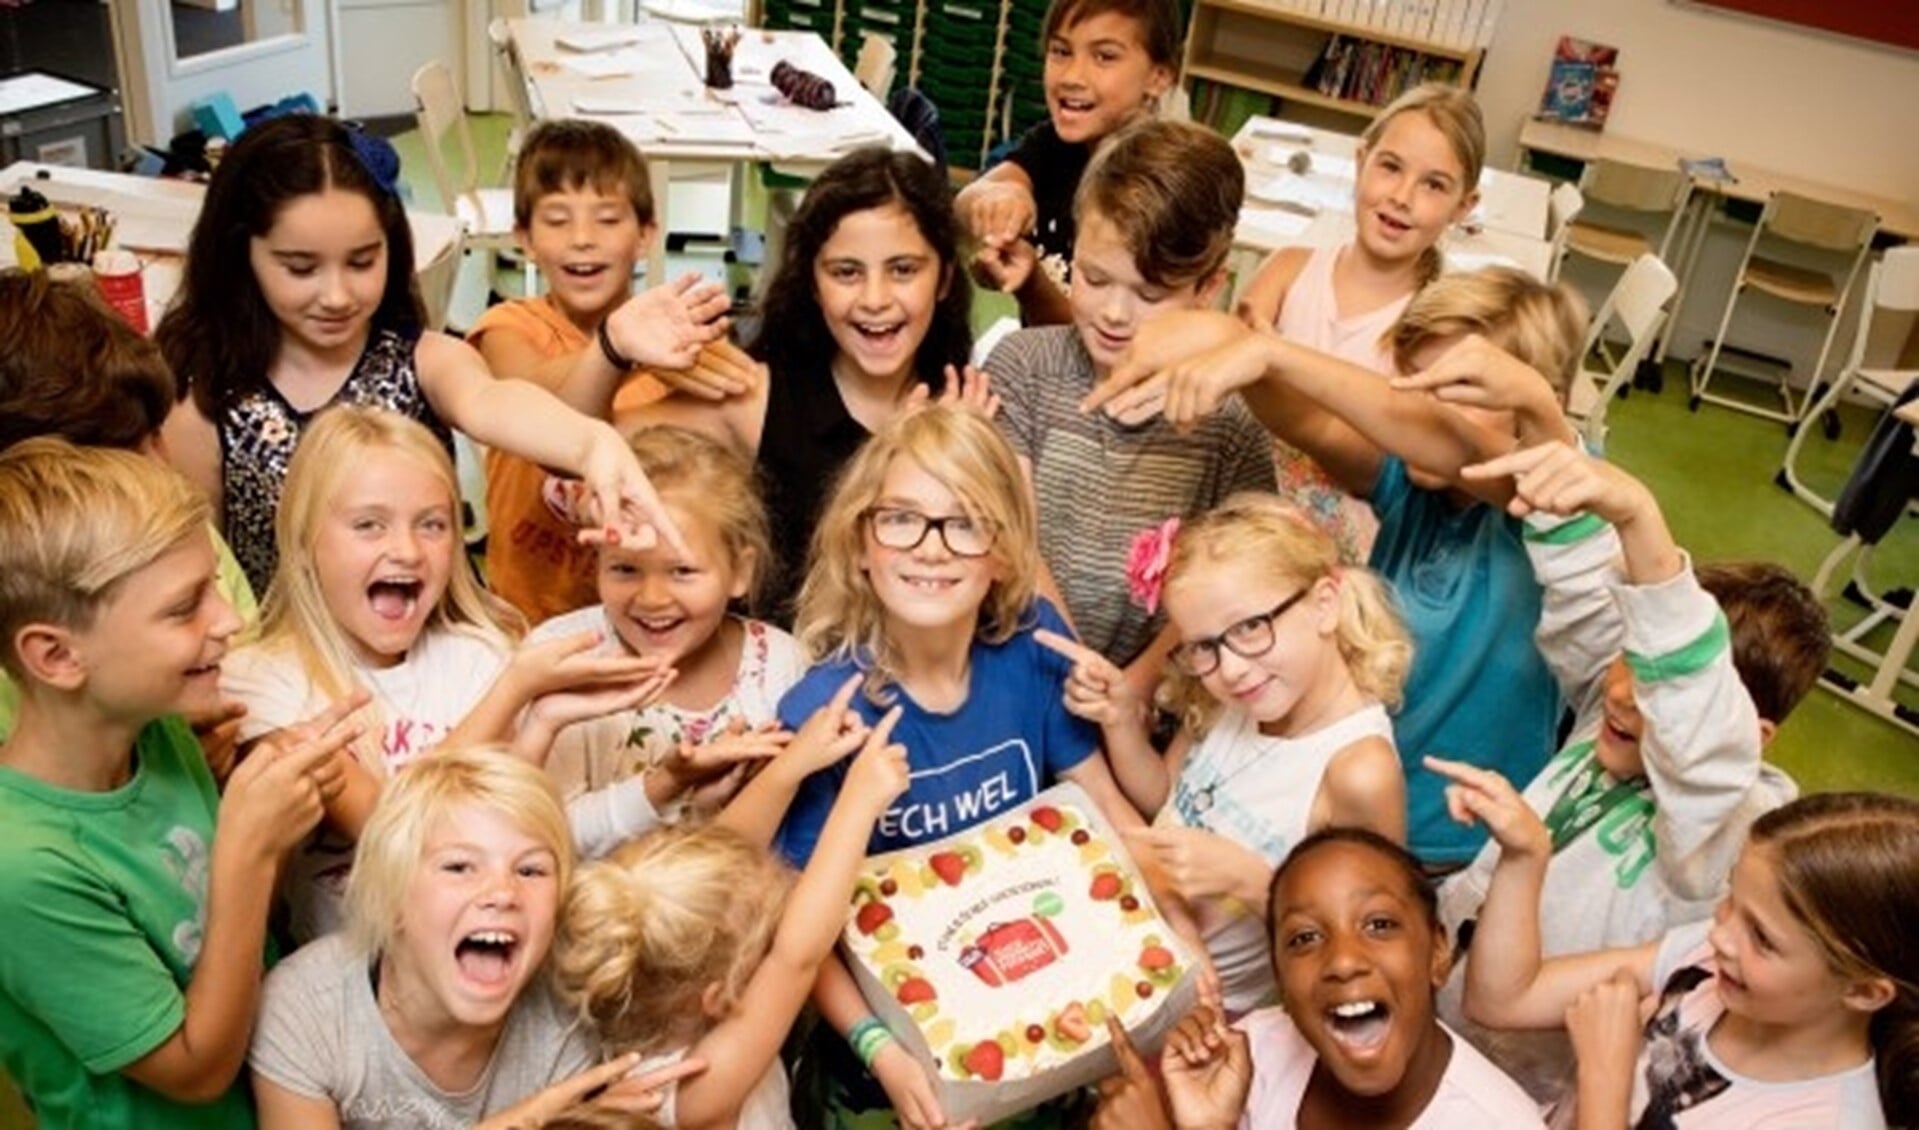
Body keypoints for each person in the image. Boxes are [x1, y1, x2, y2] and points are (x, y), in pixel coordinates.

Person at [1086, 266, 1590, 870]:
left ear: (1544, 405)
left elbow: (1457, 450)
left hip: (1459, 843)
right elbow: (1311, 421)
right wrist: (1239, 352)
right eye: (1410, 385)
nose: (1420, 411)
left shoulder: (1559, 501)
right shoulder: (1411, 485)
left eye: (1455, 395)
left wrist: (1264, 348)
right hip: (1320, 809)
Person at [751, 405, 1162, 1130]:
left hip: (1040, 1030)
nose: (932, 548)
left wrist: (1179, 941)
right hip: (885, 1072)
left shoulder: (1036, 646)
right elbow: (795, 923)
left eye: (965, 522)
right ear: (859, 545)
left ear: (1004, 553)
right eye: (901, 518)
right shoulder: (822, 716)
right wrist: (883, 1054)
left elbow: (1105, 815)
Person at [1430, 440, 1822, 1103]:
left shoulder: (1730, 826)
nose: (1620, 694)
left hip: (1520, 1087)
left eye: (1658, 693)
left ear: (1747, 742)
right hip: (1443, 1010)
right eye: (1625, 663)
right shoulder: (1605, 721)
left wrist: (1641, 517)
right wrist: (1536, 416)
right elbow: (1588, 592)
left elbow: (1697, 724)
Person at [155, 113, 685, 594]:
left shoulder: (423, 360)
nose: (337, 295)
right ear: (239, 252)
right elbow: (204, 573)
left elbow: (494, 401)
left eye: (362, 262)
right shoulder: (203, 400)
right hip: (288, 678)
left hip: (427, 663)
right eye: (300, 268)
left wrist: (592, 444)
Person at [0, 438, 358, 1128]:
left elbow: (227, 936)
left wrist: (281, 798)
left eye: (213, 588)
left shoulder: (159, 734)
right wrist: (251, 846)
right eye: (183, 608)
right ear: (55, 655)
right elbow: (193, 1071)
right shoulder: (21, 867)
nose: (229, 620)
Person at [222, 406, 671, 942]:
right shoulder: (261, 680)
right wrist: (515, 691)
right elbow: (393, 830)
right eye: (369, 525)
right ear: (302, 541)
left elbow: (496, 830)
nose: (407, 551)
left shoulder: (478, 655)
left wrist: (542, 722)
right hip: (348, 984)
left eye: (432, 525)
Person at [1043, 493, 1411, 1015]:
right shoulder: (1237, 701)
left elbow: (1362, 941)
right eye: (1206, 646)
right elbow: (1163, 798)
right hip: (1140, 950)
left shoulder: (1358, 770)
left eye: (1250, 629)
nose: (1232, 668)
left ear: (1324, 604)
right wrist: (1123, 721)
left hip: (1218, 1010)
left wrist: (1249, 879)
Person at [249, 747, 700, 1129]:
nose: (503, 892)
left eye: (530, 870)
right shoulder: (307, 1006)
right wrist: (528, 1119)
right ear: (393, 897)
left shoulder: (569, 1009)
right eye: (460, 866)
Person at [623, 146, 983, 621]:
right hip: (781, 679)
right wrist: (620, 350)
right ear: (812, 284)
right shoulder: (758, 397)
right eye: (846, 272)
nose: (875, 299)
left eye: (903, 270)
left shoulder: (966, 407)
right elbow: (580, 446)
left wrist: (958, 462)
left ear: (944, 280)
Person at [1453, 774, 1918, 1129]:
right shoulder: (1706, 964)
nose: (1721, 937)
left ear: (1863, 991)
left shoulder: (1821, 1120)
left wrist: (1603, 1078)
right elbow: (1503, 999)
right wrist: (1525, 856)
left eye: (1763, 938)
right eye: (1731, 899)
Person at [989, 118, 1276, 683]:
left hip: (1149, 693)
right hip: (1015, 672)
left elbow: (1235, 570)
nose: (1115, 314)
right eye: (1094, 279)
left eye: (1150, 294)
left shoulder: (1231, 424)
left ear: (1208, 290)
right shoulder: (1022, 368)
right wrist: (1079, 665)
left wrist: (1137, 683)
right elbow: (1009, 533)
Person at [551, 707, 909, 1130]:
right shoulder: (694, 1089)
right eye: (762, 934)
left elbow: (722, 852)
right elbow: (796, 957)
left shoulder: (638, 989)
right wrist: (858, 802)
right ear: (718, 997)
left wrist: (791, 765)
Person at [467, 118, 753, 625]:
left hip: (651, 613)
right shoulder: (505, 328)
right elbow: (534, 407)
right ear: (524, 239)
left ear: (645, 235)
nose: (582, 239)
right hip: (526, 615)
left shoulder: (680, 345)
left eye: (607, 218)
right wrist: (617, 348)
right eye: (556, 220)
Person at [1090, 829, 1544, 1129]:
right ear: (1281, 979)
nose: (1344, 960)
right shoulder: (1256, 1052)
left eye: (1379, 925)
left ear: (1437, 953)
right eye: (1304, 937)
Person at [0, 268, 255, 752]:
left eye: (157, 434)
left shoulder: (177, 528)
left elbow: (249, 655)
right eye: (129, 457)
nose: (164, 467)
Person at [1234, 83, 1486, 560]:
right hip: (1242, 516)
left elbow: (1393, 470)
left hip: (1344, 561)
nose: (1402, 197)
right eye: (1390, 167)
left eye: (1434, 185)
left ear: (1463, 207)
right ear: (1360, 162)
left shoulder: (1440, 333)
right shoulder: (1287, 270)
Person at [528, 425, 806, 823]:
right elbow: (545, 835)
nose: (652, 598)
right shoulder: (562, 658)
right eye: (624, 569)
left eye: (682, 571)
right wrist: (666, 784)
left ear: (740, 572)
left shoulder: (781, 664)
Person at [956, 0, 1182, 326]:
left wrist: (1031, 283)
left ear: (1158, 77)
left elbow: (1090, 337)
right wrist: (1003, 197)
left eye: (1104, 57)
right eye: (1061, 52)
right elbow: (970, 197)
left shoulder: (1155, 184)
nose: (1072, 76)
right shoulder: (1060, 144)